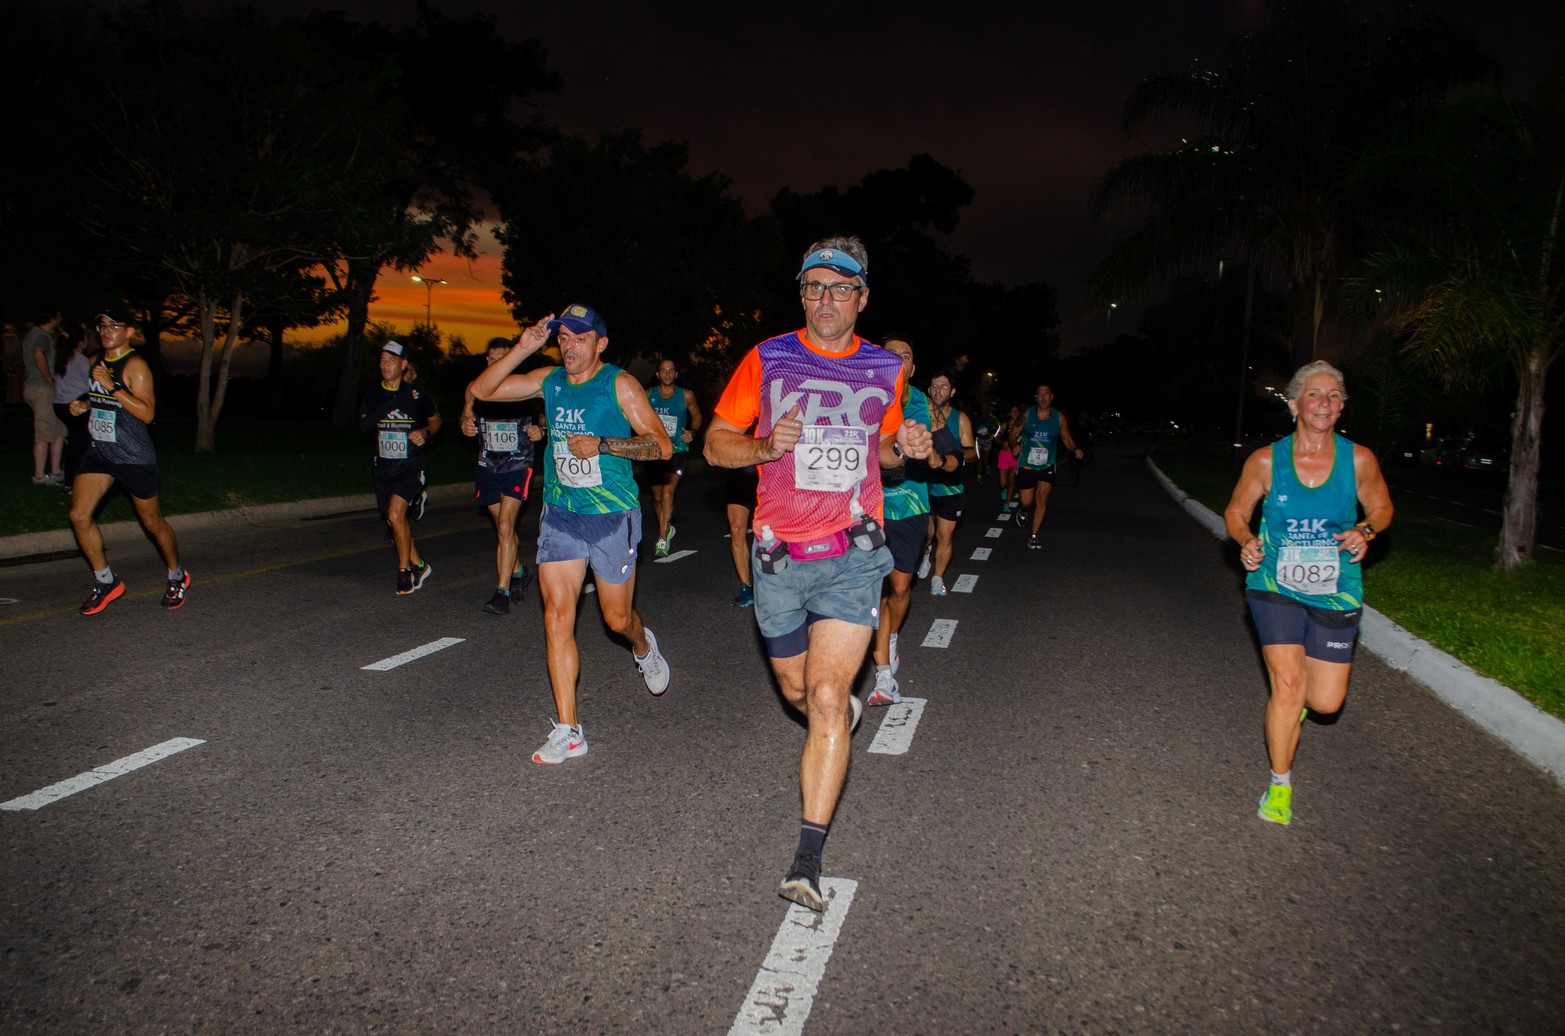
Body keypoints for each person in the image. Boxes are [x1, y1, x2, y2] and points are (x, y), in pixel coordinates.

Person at [704, 236, 932, 912]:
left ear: (862, 298)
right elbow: (715, 443)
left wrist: (905, 447)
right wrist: (762, 445)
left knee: (827, 701)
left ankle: (806, 859)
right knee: (797, 692)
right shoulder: (767, 357)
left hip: (852, 554)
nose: (823, 300)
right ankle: (840, 713)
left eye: (838, 288)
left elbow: (883, 448)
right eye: (812, 288)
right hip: (776, 559)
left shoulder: (882, 370)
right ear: (799, 294)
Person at [470, 303, 674, 765]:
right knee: (557, 618)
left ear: (600, 344)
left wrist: (604, 444)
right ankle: (569, 729)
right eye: (563, 338)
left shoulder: (619, 384)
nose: (569, 346)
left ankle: (645, 647)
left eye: (580, 338)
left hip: (611, 516)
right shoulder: (550, 381)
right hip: (562, 514)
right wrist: (523, 348)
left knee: (616, 620)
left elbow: (661, 445)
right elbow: (482, 392)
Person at [1224, 360, 1393, 827]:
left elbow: (1380, 506)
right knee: (1288, 686)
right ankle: (1280, 786)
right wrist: (1246, 541)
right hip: (1274, 584)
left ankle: (1293, 714)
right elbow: (1236, 512)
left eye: (1334, 396)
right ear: (1295, 404)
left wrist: (1365, 529)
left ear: (1341, 408)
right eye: (1315, 395)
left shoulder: (1358, 459)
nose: (1325, 403)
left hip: (1336, 589)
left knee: (1324, 703)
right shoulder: (1265, 460)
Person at [66, 307, 189, 614]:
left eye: (114, 326)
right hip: (101, 453)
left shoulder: (136, 366)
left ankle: (177, 574)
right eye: (103, 326)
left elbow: (147, 414)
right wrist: (83, 402)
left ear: (129, 332)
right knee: (79, 516)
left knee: (152, 523)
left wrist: (114, 387)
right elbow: (98, 396)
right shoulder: (97, 362)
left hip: (134, 457)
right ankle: (106, 581)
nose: (106, 331)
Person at [869, 335, 938, 706]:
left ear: (912, 369)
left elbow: (911, 438)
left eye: (906, 356)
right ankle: (883, 678)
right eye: (891, 354)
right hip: (871, 508)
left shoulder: (917, 402)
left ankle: (892, 636)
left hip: (909, 506)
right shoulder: (863, 392)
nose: (898, 359)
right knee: (878, 591)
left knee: (898, 589)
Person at [461, 336, 545, 615]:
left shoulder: (524, 390)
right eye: (493, 359)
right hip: (488, 465)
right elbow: (466, 416)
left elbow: (544, 421)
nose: (498, 363)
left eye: (503, 358)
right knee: (502, 528)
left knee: (507, 526)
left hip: (518, 465)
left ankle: (502, 593)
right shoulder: (476, 389)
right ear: (488, 361)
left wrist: (539, 431)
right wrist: (466, 425)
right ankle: (520, 570)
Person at [358, 341, 441, 595]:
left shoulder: (417, 395)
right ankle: (420, 564)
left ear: (403, 364)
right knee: (396, 521)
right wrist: (391, 402)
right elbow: (363, 426)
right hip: (384, 467)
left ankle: (404, 569)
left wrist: (425, 432)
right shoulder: (372, 393)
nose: (385, 365)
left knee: (395, 515)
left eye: (391, 360)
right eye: (382, 360)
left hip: (410, 466)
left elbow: (436, 420)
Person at [920, 369, 975, 595]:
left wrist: (953, 457)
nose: (938, 390)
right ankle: (925, 554)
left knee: (945, 535)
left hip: (951, 488)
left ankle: (937, 577)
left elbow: (972, 454)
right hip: (923, 484)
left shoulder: (960, 419)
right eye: (934, 386)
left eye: (943, 386)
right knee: (926, 533)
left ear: (952, 391)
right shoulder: (919, 414)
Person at [1009, 384, 1084, 549]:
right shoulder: (1027, 414)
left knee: (1042, 499)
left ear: (1051, 397)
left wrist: (1075, 449)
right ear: (1036, 397)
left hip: (1047, 464)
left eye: (1046, 394)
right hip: (1027, 464)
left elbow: (1066, 439)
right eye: (1040, 394)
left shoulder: (1059, 417)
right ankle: (1024, 510)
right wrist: (1015, 445)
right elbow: (1013, 434)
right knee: (1027, 501)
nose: (1043, 397)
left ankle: (1034, 535)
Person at [644, 357, 703, 557]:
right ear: (658, 374)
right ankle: (667, 527)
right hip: (654, 451)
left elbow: (697, 416)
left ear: (676, 374)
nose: (667, 374)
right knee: (657, 495)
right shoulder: (648, 395)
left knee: (668, 492)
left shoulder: (686, 396)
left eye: (671, 371)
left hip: (677, 450)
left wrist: (693, 432)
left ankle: (662, 538)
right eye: (663, 370)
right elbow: (637, 417)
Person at [24, 306, 66, 485]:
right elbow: (38, 354)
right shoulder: (41, 336)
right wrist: (48, 378)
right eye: (58, 316)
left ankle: (56, 472)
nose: (60, 319)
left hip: (37, 388)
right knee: (43, 431)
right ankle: (39, 476)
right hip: (42, 389)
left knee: (58, 429)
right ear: (52, 318)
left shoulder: (35, 334)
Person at [51, 321, 93, 483]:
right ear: (81, 341)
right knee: (79, 446)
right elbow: (91, 384)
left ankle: (69, 478)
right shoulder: (81, 360)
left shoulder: (61, 358)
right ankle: (72, 482)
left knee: (74, 443)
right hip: (75, 406)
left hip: (59, 405)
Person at [725, 464, 760, 606]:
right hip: (741, 469)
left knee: (776, 526)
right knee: (736, 529)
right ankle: (746, 588)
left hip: (771, 470)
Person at [995, 404, 1021, 510]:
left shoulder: (1022, 427)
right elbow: (995, 436)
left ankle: (1007, 502)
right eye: (1013, 411)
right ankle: (1003, 489)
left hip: (1015, 456)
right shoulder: (1004, 425)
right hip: (1004, 455)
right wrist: (1003, 443)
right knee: (1003, 482)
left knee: (1011, 479)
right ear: (1009, 413)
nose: (1015, 413)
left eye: (1017, 411)